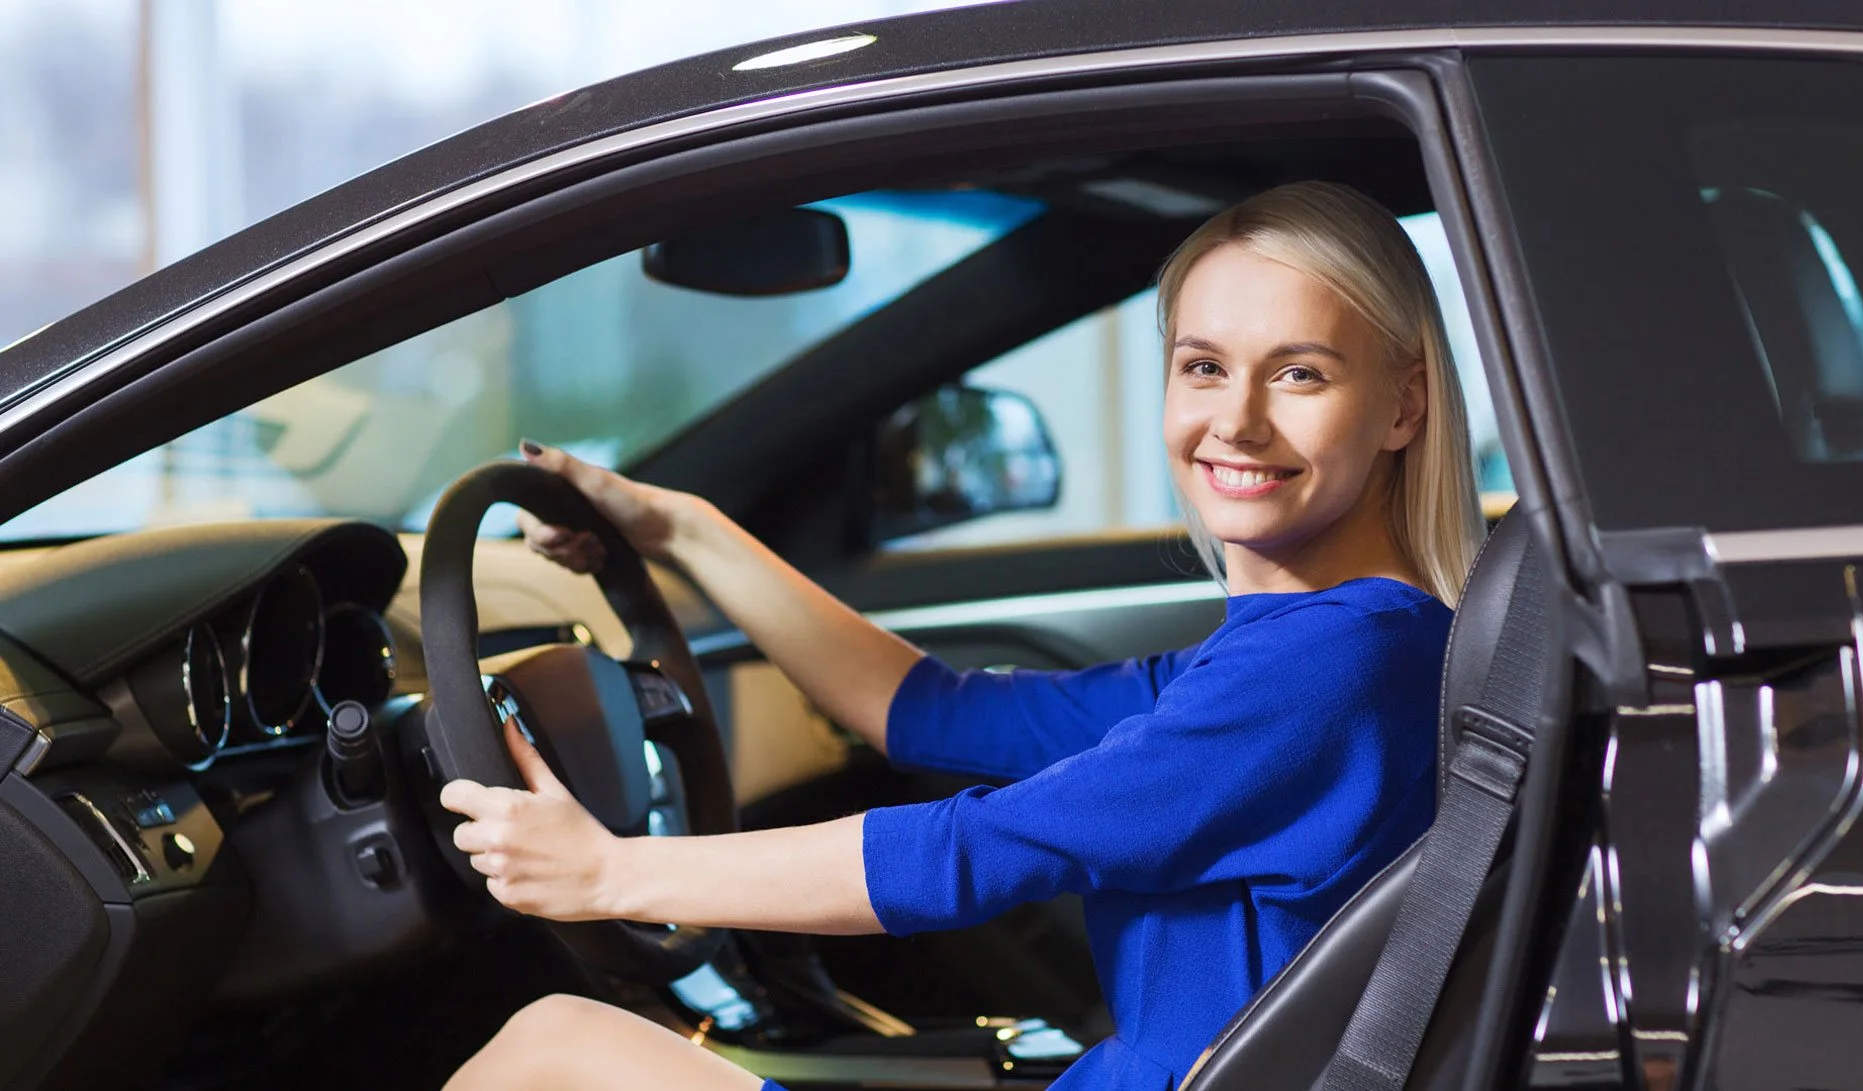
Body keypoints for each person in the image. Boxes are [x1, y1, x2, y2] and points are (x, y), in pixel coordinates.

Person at [439, 180, 1484, 1091]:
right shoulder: (1330, 645)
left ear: (1404, 406)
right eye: (1205, 365)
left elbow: (973, 852)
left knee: (555, 1045)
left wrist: (611, 872)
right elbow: (929, 711)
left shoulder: (1328, 670)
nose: (1238, 419)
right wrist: (682, 528)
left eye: (1300, 373)